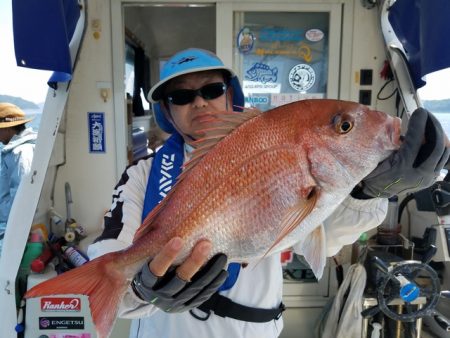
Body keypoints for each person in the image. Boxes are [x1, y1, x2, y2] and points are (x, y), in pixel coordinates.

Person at [87, 48, 449, 338]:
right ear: (166, 110)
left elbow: (327, 235)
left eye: (211, 90)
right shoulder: (143, 174)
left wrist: (371, 191)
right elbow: (111, 254)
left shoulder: (276, 147)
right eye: (181, 96)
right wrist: (141, 289)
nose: (198, 103)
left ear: (231, 95)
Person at [0, 103, 37, 256]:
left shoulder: (21, 153)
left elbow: (21, 199)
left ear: (8, 128)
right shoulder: (17, 150)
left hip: (7, 229)